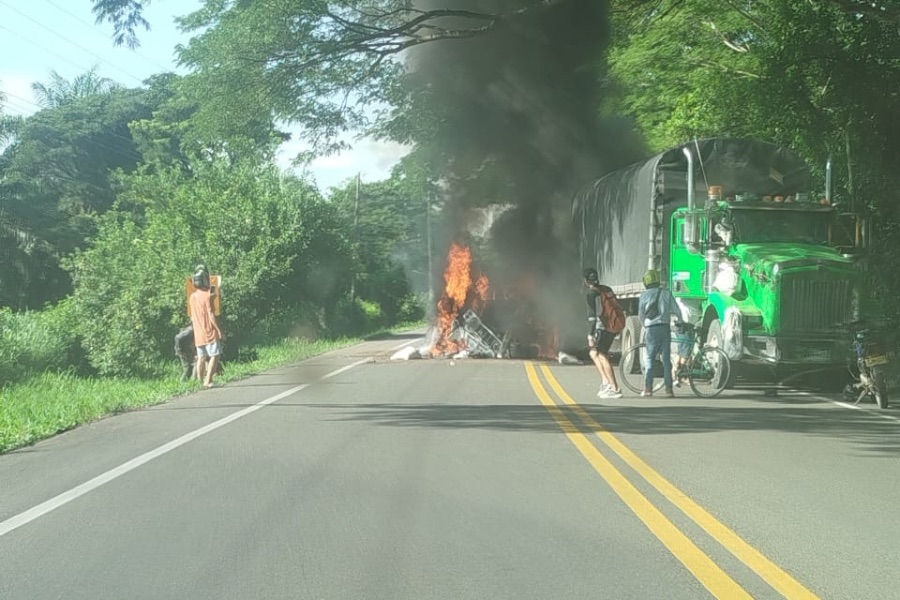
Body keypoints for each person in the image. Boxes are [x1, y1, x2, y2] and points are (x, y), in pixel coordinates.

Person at [639, 269, 682, 397]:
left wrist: (645, 325)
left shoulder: (644, 295)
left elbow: (641, 314)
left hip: (651, 329)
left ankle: (648, 388)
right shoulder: (666, 293)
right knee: (666, 359)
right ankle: (669, 389)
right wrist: (680, 321)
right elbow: (677, 310)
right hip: (664, 328)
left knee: (650, 359)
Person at [584, 267, 623, 399]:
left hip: (603, 328)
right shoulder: (606, 289)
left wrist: (590, 335)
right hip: (613, 325)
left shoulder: (591, 293)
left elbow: (592, 317)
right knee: (593, 353)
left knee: (602, 355)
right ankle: (606, 382)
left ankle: (615, 388)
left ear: (585, 281)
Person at [188, 265, 223, 388]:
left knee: (201, 357)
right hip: (209, 332)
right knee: (215, 355)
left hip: (198, 333)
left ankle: (199, 382)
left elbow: (192, 316)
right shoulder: (208, 296)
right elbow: (211, 315)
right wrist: (218, 330)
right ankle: (208, 380)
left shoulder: (192, 297)